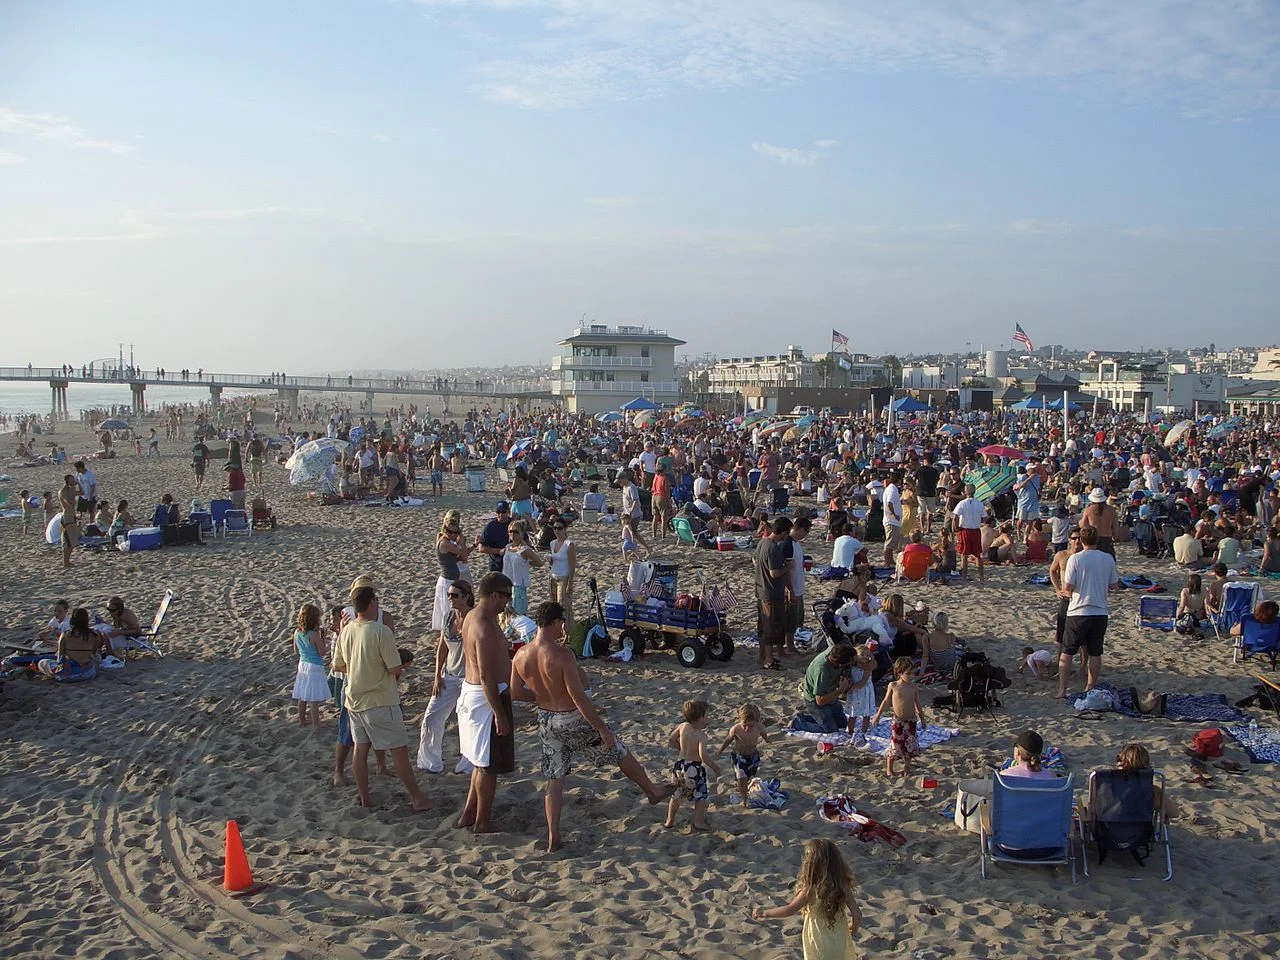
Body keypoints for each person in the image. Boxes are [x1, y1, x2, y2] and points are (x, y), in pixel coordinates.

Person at [509, 601, 671, 851]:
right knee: (617, 749)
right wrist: (602, 728)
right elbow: (577, 697)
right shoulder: (563, 654)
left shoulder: (521, 655)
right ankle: (652, 791)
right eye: (562, 622)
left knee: (555, 778)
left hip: (546, 720)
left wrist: (542, 696)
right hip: (570, 718)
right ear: (554, 622)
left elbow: (516, 693)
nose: (564, 627)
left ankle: (553, 836)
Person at [331, 585, 431, 811]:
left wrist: (360, 669)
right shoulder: (380, 631)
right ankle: (417, 799)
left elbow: (338, 665)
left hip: (355, 699)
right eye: (375, 600)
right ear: (370, 603)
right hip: (380, 700)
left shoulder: (346, 631)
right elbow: (394, 668)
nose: (377, 604)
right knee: (398, 750)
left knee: (360, 750)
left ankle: (365, 798)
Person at [456, 572, 516, 834]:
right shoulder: (485, 626)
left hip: (473, 694)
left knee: (480, 762)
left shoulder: (472, 617)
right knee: (488, 766)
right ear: (494, 595)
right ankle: (482, 821)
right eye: (505, 596)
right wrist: (499, 713)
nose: (507, 602)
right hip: (486, 697)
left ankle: (469, 814)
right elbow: (486, 675)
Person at [751, 838, 863, 960]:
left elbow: (790, 909)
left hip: (818, 944)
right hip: (839, 942)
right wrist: (852, 929)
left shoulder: (810, 890)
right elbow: (857, 914)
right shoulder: (842, 885)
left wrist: (765, 913)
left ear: (810, 865)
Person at [416, 579, 475, 775]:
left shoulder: (474, 618)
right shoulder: (449, 616)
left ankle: (468, 764)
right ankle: (429, 762)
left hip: (469, 678)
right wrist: (437, 675)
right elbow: (442, 648)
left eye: (455, 595)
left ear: (466, 597)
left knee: (467, 721)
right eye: (449, 595)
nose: (450, 598)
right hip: (449, 675)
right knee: (431, 718)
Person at [1058, 525, 1119, 699]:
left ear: (1082, 540)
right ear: (1096, 539)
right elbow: (1114, 585)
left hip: (1078, 610)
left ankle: (1062, 690)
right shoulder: (1107, 558)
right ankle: (1090, 687)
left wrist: (1064, 591)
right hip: (1100, 611)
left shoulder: (1075, 559)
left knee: (1067, 651)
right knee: (1095, 652)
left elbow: (1068, 586)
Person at [664, 700, 720, 832]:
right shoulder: (701, 736)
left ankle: (669, 820)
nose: (708, 718)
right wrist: (714, 767)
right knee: (700, 796)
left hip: (680, 765)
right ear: (701, 717)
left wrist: (681, 749)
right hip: (694, 768)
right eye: (707, 716)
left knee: (676, 794)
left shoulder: (683, 726)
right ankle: (698, 822)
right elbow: (703, 755)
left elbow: (671, 739)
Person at [871, 657, 927, 779]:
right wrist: (877, 716)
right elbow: (885, 701)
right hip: (898, 721)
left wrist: (922, 719)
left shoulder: (913, 687)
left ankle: (907, 767)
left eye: (913, 673)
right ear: (900, 672)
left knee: (910, 745)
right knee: (895, 745)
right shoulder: (894, 685)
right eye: (908, 673)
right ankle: (889, 769)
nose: (911, 676)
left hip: (911, 720)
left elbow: (918, 705)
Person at [792, 642, 856, 733]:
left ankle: (814, 718)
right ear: (840, 665)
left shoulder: (835, 651)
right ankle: (797, 723)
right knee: (831, 730)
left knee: (842, 724)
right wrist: (840, 690)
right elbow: (820, 701)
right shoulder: (822, 671)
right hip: (815, 701)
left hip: (831, 694)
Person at [716, 703, 769, 808]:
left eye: (751, 726)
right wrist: (720, 750)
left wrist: (768, 740)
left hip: (753, 756)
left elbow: (764, 735)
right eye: (744, 725)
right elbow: (728, 740)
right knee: (742, 778)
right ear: (740, 720)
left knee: (749, 776)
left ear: (756, 722)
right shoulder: (735, 729)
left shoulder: (759, 727)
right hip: (739, 757)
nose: (747, 728)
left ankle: (744, 786)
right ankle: (745, 800)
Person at [754, 518, 789, 670]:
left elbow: (755, 560)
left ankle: (763, 655)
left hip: (761, 589)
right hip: (770, 592)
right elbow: (774, 573)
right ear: (783, 532)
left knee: (763, 624)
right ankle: (768, 659)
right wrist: (788, 568)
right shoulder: (773, 547)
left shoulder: (763, 542)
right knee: (770, 624)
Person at [292, 603, 330, 732]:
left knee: (302, 695)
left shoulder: (297, 632)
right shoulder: (314, 635)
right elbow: (322, 652)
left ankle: (302, 720)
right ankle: (316, 724)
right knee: (314, 698)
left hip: (303, 664)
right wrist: (323, 639)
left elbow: (296, 650)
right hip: (315, 666)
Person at [433, 510, 472, 631]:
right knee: (448, 612)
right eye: (450, 532)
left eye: (455, 532)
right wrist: (462, 541)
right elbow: (464, 554)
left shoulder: (447, 542)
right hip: (447, 580)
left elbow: (459, 558)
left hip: (451, 579)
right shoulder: (445, 543)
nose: (452, 535)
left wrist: (473, 546)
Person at [501, 522, 542, 615]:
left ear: (521, 533)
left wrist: (527, 563)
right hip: (506, 584)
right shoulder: (507, 547)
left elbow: (539, 562)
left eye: (516, 531)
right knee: (506, 613)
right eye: (511, 531)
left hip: (518, 584)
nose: (513, 534)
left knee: (518, 613)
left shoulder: (524, 549)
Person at [784, 516, 811, 654]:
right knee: (790, 619)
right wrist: (790, 590)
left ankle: (792, 643)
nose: (806, 535)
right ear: (800, 529)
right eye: (806, 531)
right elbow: (786, 570)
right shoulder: (788, 543)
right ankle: (789, 645)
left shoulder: (796, 544)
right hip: (792, 588)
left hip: (798, 587)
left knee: (797, 619)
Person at [951, 484, 987, 581]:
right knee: (977, 555)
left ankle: (964, 576)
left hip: (965, 530)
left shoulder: (962, 503)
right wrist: (978, 519)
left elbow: (955, 517)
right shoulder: (979, 503)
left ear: (965, 492)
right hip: (975, 530)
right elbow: (985, 518)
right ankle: (981, 577)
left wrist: (956, 527)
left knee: (964, 555)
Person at [843, 643, 877, 744]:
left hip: (864, 691)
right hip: (855, 692)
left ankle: (863, 731)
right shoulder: (852, 666)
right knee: (853, 714)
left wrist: (851, 688)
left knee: (866, 713)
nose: (865, 657)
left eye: (867, 655)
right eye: (862, 654)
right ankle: (850, 732)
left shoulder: (867, 667)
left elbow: (863, 682)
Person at [547, 518, 577, 625]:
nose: (557, 531)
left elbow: (572, 566)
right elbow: (553, 562)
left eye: (559, 528)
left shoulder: (569, 544)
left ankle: (567, 630)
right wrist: (550, 560)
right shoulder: (552, 543)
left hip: (563, 578)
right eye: (554, 528)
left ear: (565, 529)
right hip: (553, 577)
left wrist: (570, 584)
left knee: (564, 607)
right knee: (554, 607)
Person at [1080, 486, 1119, 560]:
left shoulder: (1089, 510)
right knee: (1108, 562)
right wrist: (1114, 537)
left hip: (1094, 539)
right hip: (1107, 539)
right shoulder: (1111, 510)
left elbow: (1083, 525)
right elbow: (1115, 528)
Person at [477, 502, 512, 573]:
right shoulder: (490, 527)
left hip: (513, 563)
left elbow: (526, 542)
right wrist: (498, 551)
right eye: (498, 512)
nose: (500, 514)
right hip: (496, 564)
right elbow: (481, 548)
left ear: (508, 511)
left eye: (503, 512)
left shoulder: (514, 524)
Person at [57, 473, 80, 568]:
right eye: (71, 480)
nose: (73, 481)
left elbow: (82, 492)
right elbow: (68, 503)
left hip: (72, 516)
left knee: (73, 541)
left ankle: (67, 561)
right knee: (67, 541)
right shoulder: (62, 491)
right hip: (67, 517)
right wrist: (72, 491)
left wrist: (78, 484)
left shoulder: (71, 490)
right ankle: (65, 562)